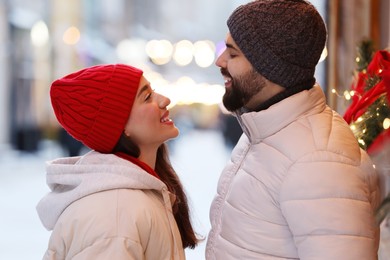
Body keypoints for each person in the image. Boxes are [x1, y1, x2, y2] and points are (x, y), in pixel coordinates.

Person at [206, 0, 381, 259]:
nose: (219, 61)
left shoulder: (319, 160)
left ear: (270, 68)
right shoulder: (266, 129)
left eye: (233, 54)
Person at [36, 64, 199, 259]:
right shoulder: (114, 215)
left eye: (153, 91)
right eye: (147, 97)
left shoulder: (136, 196)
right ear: (120, 126)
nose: (165, 100)